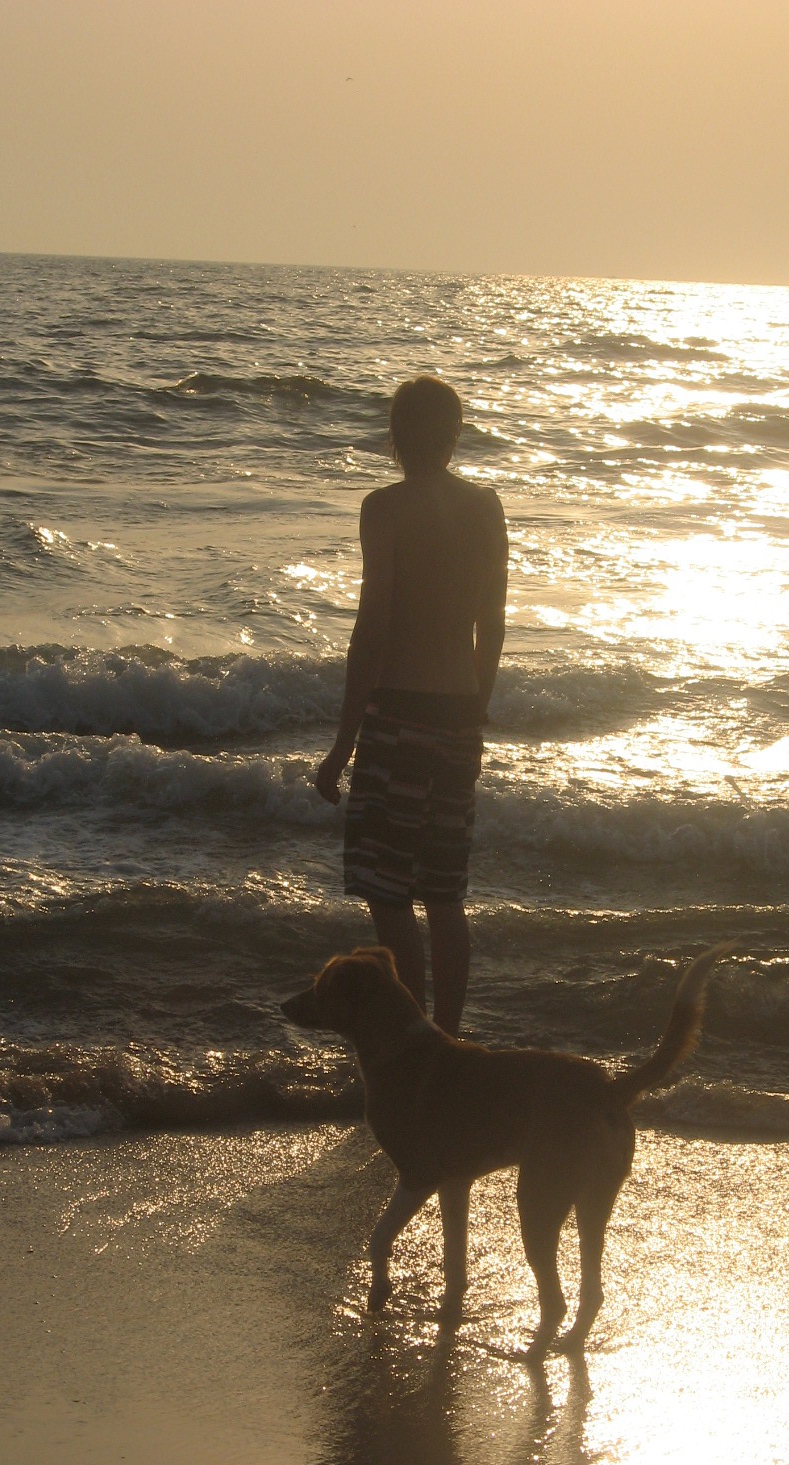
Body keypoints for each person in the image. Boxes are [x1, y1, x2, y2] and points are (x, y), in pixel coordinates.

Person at [315, 376, 508, 1036]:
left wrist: (342, 745)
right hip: (458, 715)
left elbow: (373, 630)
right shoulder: (485, 506)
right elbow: (492, 624)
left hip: (398, 717)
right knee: (445, 893)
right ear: (454, 435)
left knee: (390, 892)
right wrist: (476, 709)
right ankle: (446, 1040)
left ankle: (411, 1038)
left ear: (395, 437)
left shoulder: (384, 508)